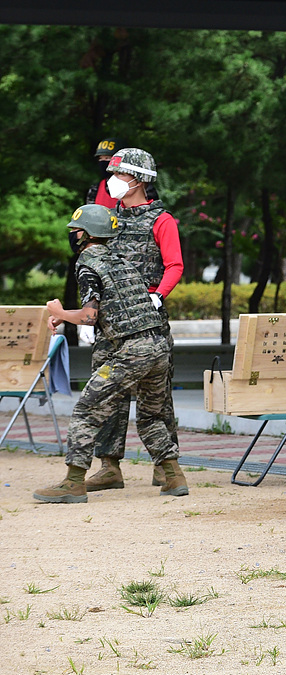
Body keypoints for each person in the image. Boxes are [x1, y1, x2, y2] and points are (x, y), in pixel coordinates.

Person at [33, 204, 189, 503]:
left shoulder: (88, 263)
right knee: (151, 416)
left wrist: (58, 311)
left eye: (75, 230)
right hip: (158, 347)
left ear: (87, 234)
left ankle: (73, 483)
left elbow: (90, 316)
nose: (73, 234)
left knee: (86, 410)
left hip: (132, 351)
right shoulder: (123, 262)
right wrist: (66, 315)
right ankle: (173, 476)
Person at [83, 148, 184, 493]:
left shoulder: (161, 219)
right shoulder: (107, 219)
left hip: (148, 321)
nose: (111, 182)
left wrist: (158, 295)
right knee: (107, 396)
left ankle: (165, 467)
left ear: (139, 180)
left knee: (156, 398)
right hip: (110, 325)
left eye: (119, 175)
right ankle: (109, 466)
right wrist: (87, 314)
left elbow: (175, 265)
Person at [85, 137, 125, 209]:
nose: (103, 162)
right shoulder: (95, 189)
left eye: (107, 158)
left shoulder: (135, 187)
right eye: (100, 158)